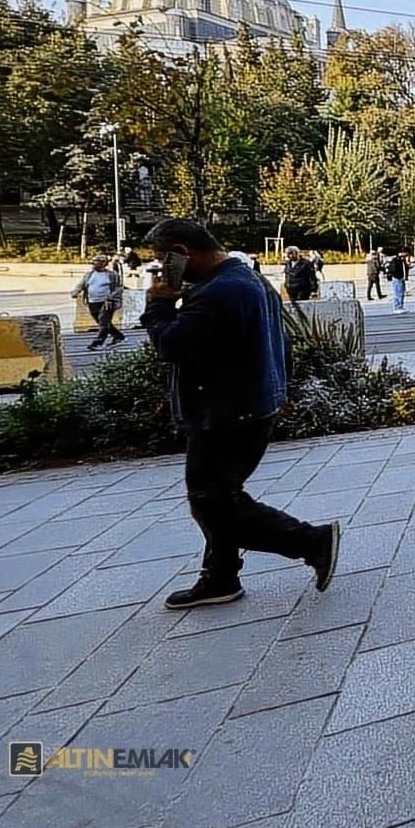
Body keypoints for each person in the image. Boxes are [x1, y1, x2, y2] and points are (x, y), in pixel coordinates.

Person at [139, 218, 341, 609]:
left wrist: (159, 306)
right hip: (247, 407)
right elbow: (280, 342)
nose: (161, 268)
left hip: (225, 414)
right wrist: (280, 390)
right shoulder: (248, 280)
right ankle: (220, 576)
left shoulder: (218, 291)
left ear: (181, 252)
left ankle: (311, 542)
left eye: (163, 258)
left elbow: (172, 346)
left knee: (210, 502)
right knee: (221, 497)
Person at [71, 254, 126, 350]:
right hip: (92, 301)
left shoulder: (112, 275)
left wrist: (111, 297)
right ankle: (119, 336)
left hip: (107, 302)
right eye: (94, 262)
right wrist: (76, 292)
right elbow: (82, 284)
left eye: (97, 262)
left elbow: (118, 288)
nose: (94, 264)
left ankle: (98, 343)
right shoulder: (89, 275)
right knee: (102, 322)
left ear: (103, 263)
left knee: (104, 322)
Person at [387, 246, 410, 314]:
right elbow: (394, 269)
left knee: (401, 293)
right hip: (397, 278)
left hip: (402, 278)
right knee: (398, 293)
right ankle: (397, 306)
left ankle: (401, 305)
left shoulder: (403, 260)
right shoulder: (396, 260)